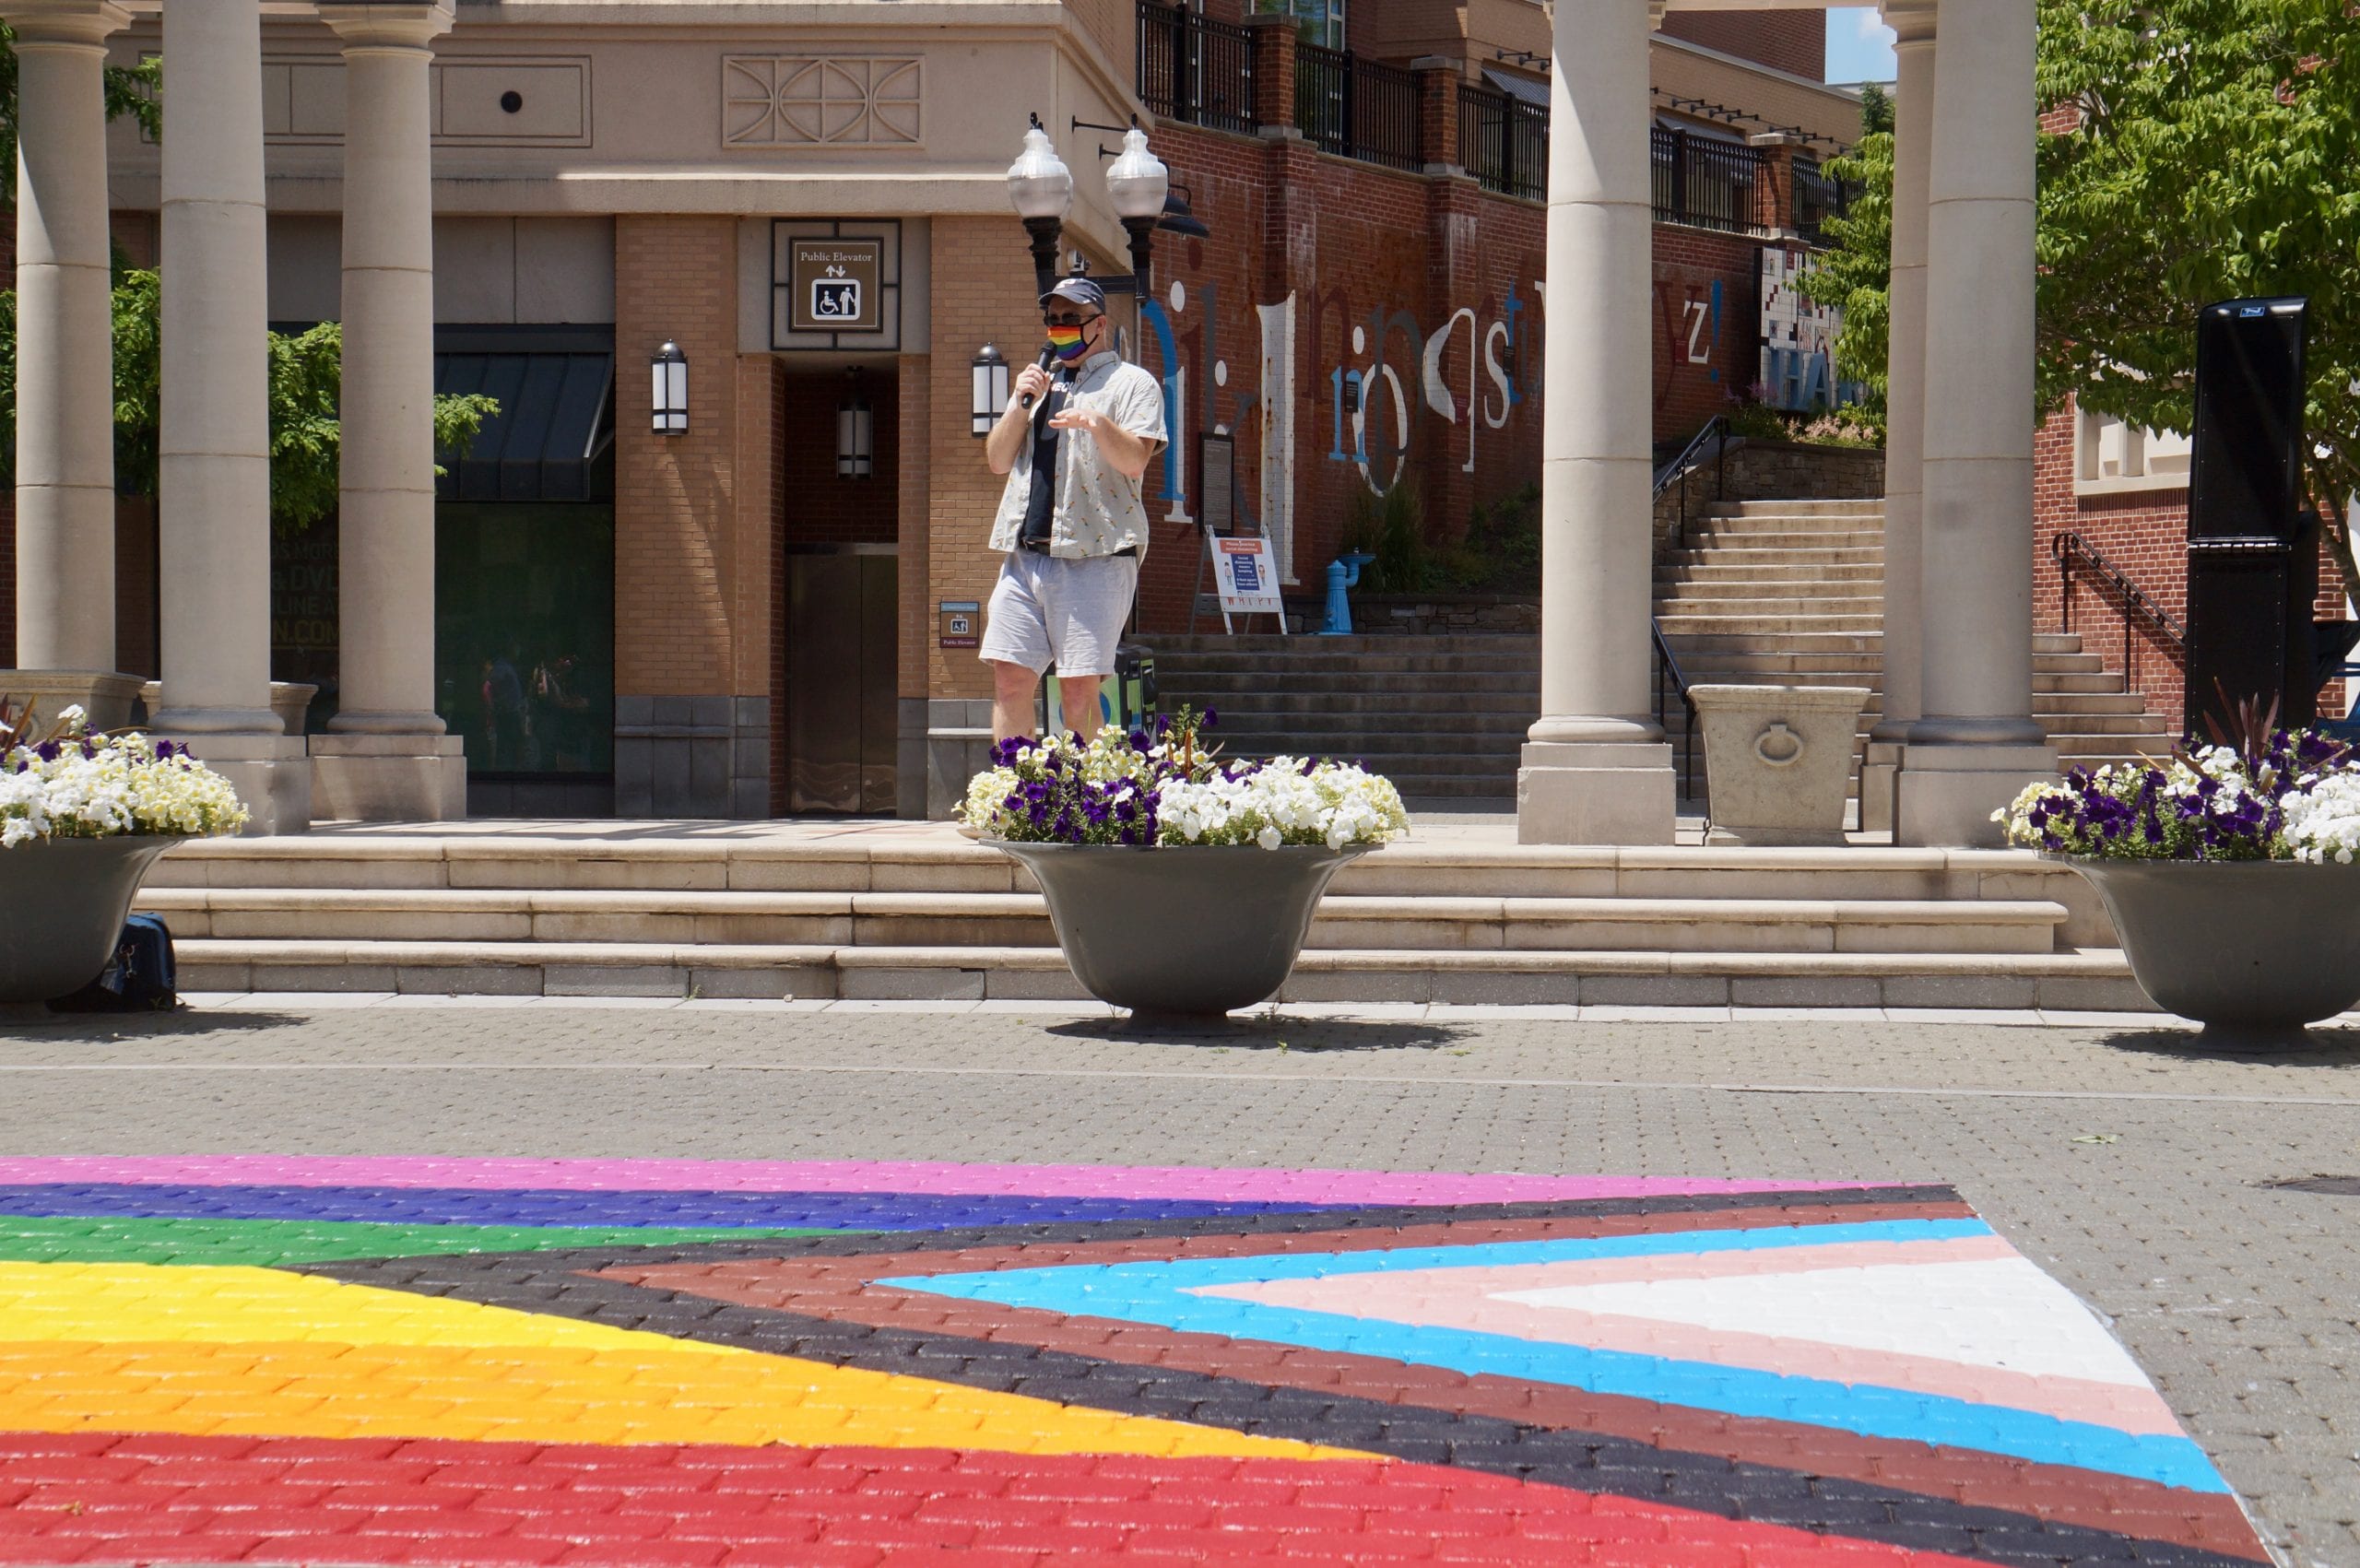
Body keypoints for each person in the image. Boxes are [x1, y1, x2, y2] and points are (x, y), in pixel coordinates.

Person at [980, 275, 1167, 743]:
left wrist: (1099, 424)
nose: (1059, 327)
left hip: (1095, 556)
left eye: (1071, 319)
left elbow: (1135, 460)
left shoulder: (1132, 384)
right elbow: (998, 460)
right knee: (1010, 679)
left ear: (1098, 324)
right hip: (1025, 558)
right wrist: (1020, 405)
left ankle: (1081, 806)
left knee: (1079, 691)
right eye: (1053, 319)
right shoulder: (1036, 386)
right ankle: (1015, 800)